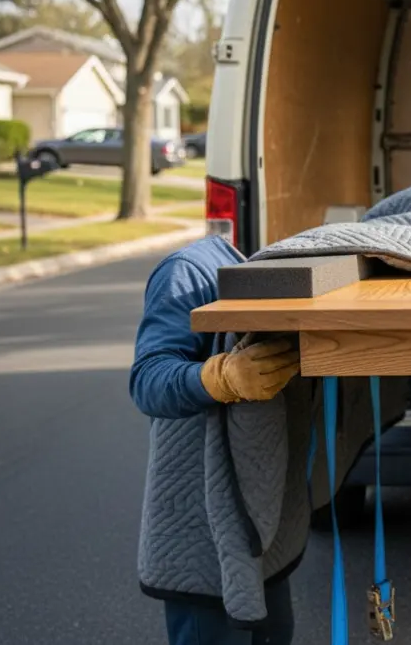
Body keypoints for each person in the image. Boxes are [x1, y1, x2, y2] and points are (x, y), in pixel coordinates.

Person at [130, 235, 302, 645]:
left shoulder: (262, 272)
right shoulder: (187, 273)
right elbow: (147, 381)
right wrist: (220, 378)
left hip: (259, 523)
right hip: (201, 534)